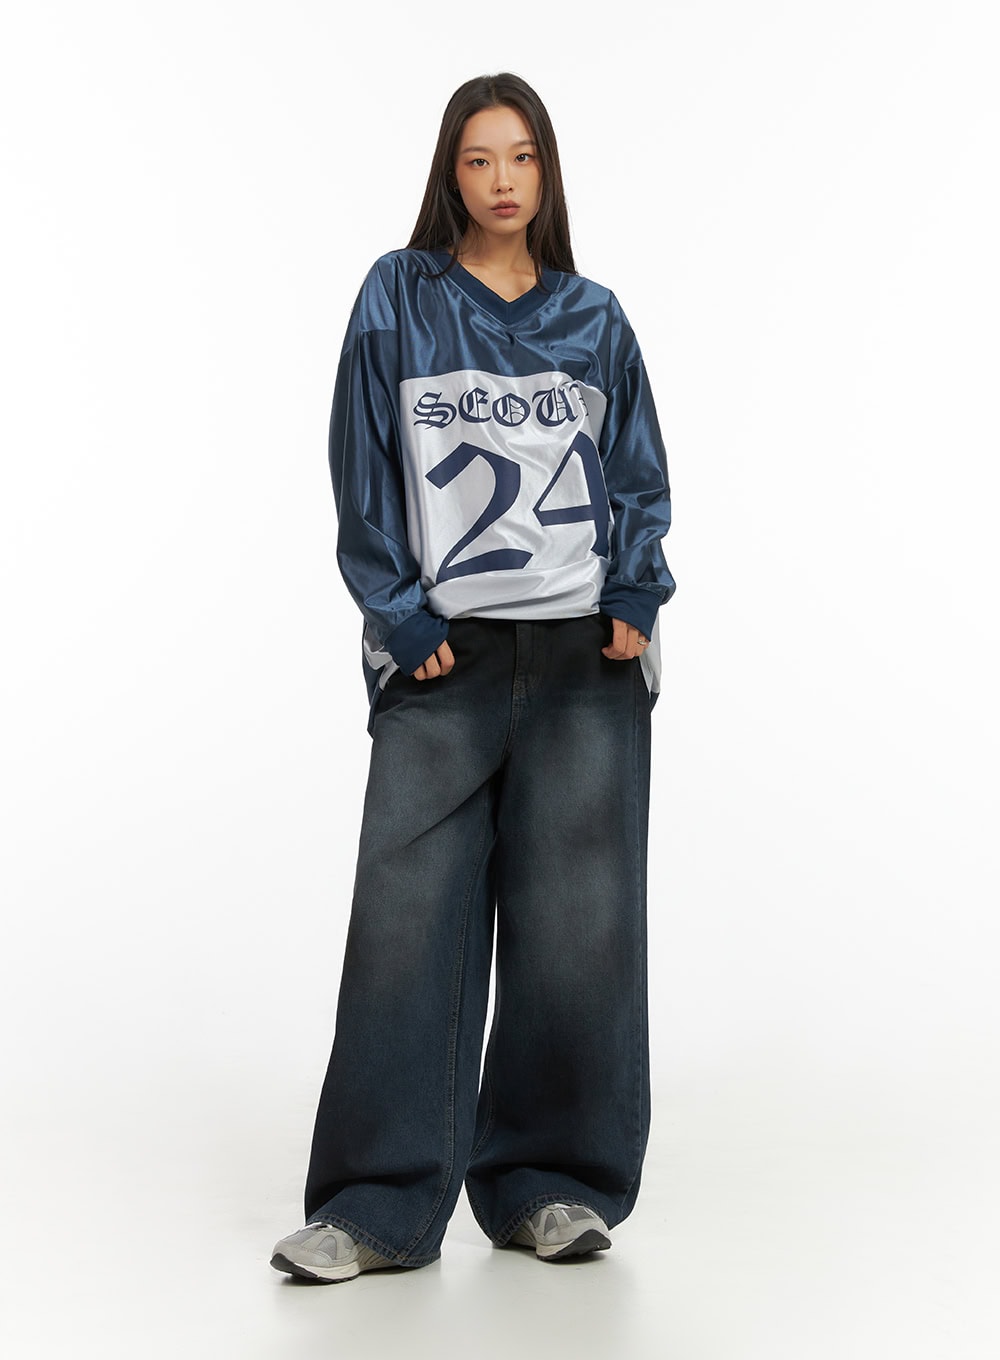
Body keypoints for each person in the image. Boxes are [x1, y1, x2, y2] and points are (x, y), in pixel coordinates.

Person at [270, 71, 676, 1284]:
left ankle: (551, 1185)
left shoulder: (594, 318)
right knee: (405, 926)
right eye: (478, 159)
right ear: (449, 173)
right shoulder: (399, 296)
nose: (503, 181)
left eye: (523, 157)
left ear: (547, 172)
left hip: (584, 660)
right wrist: (397, 612)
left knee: (577, 936)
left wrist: (634, 597)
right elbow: (360, 460)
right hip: (443, 657)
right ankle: (376, 1208)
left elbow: (636, 472)